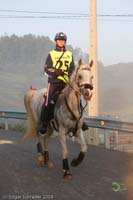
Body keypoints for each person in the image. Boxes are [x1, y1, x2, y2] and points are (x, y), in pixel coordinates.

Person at [38, 32, 88, 136]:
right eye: (59, 40)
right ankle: (43, 123)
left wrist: (71, 76)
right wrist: (57, 72)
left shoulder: (69, 54)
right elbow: (46, 69)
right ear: (56, 41)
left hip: (66, 83)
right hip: (54, 82)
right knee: (49, 101)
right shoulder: (51, 54)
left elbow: (72, 69)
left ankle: (80, 121)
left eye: (63, 40)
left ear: (65, 42)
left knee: (77, 97)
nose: (61, 42)